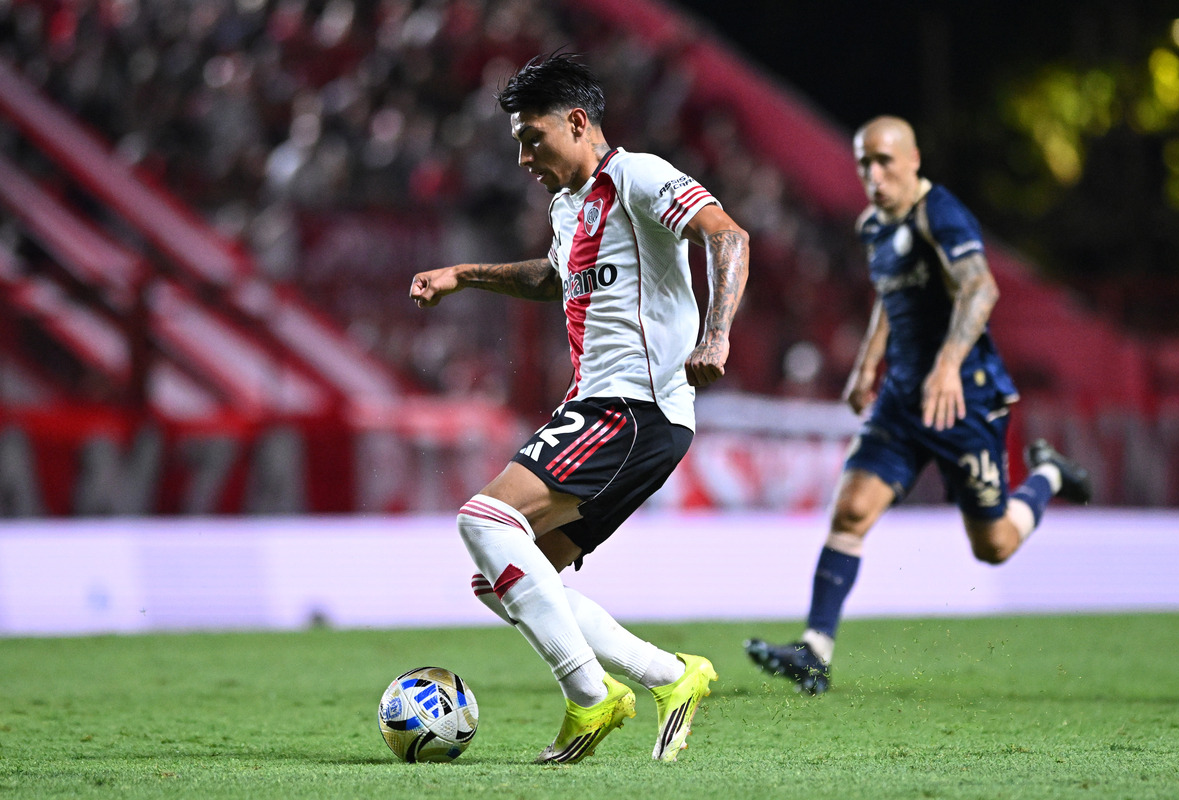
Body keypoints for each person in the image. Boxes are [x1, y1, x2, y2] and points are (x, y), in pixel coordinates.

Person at [409, 53, 749, 762]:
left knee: (484, 520)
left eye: (532, 138)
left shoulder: (637, 176)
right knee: (502, 582)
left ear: (576, 122)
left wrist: (715, 333)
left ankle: (591, 698)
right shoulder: (570, 207)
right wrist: (464, 276)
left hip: (631, 408)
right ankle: (672, 676)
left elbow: (726, 235)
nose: (525, 157)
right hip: (617, 415)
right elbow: (552, 278)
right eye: (517, 145)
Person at [744, 116, 1091, 695]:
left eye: (884, 161)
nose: (873, 175)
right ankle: (815, 649)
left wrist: (949, 364)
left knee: (995, 545)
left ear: (912, 160)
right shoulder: (874, 226)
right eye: (864, 164)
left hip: (965, 398)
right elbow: (889, 299)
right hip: (903, 398)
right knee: (850, 511)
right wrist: (866, 365)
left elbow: (981, 287)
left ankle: (1050, 473)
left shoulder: (940, 213)